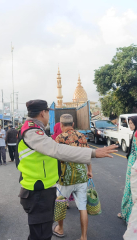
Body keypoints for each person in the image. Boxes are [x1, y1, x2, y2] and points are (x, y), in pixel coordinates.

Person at [16, 99, 117, 240]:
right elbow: (57, 150)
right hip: (39, 191)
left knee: (58, 209)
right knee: (42, 235)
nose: (48, 117)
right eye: (47, 112)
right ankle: (83, 236)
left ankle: (60, 228)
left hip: (60, 181)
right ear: (42, 113)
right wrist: (92, 154)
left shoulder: (43, 132)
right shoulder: (33, 132)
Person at [53, 114, 92, 240]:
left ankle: (60, 229)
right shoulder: (82, 136)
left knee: (61, 203)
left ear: (61, 125)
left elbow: (55, 158)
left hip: (65, 177)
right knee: (82, 206)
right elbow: (88, 155)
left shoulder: (59, 138)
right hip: (81, 175)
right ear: (73, 124)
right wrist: (89, 170)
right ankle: (84, 236)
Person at [118, 116, 137, 222]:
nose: (130, 125)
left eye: (131, 123)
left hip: (134, 165)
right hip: (134, 163)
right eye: (129, 123)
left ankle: (128, 214)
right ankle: (126, 213)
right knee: (132, 188)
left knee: (131, 188)